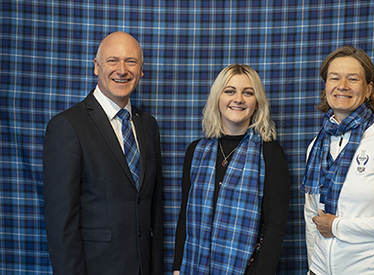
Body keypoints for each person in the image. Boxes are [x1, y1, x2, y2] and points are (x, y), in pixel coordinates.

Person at [43, 31, 163, 275]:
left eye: (131, 61)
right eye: (112, 61)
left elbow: (154, 211)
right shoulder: (67, 126)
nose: (122, 70)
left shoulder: (148, 125)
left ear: (141, 70)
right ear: (96, 67)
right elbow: (61, 224)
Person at [302, 46, 374, 274]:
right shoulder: (317, 144)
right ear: (326, 86)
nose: (342, 86)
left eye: (353, 79)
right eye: (334, 78)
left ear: (368, 90)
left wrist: (338, 226)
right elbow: (312, 217)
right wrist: (313, 267)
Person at [172, 64, 290, 275]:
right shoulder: (195, 151)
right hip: (193, 267)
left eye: (248, 92)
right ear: (218, 98)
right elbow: (185, 218)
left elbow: (275, 228)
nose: (239, 99)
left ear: (257, 103)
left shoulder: (270, 154)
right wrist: (177, 268)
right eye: (230, 91)